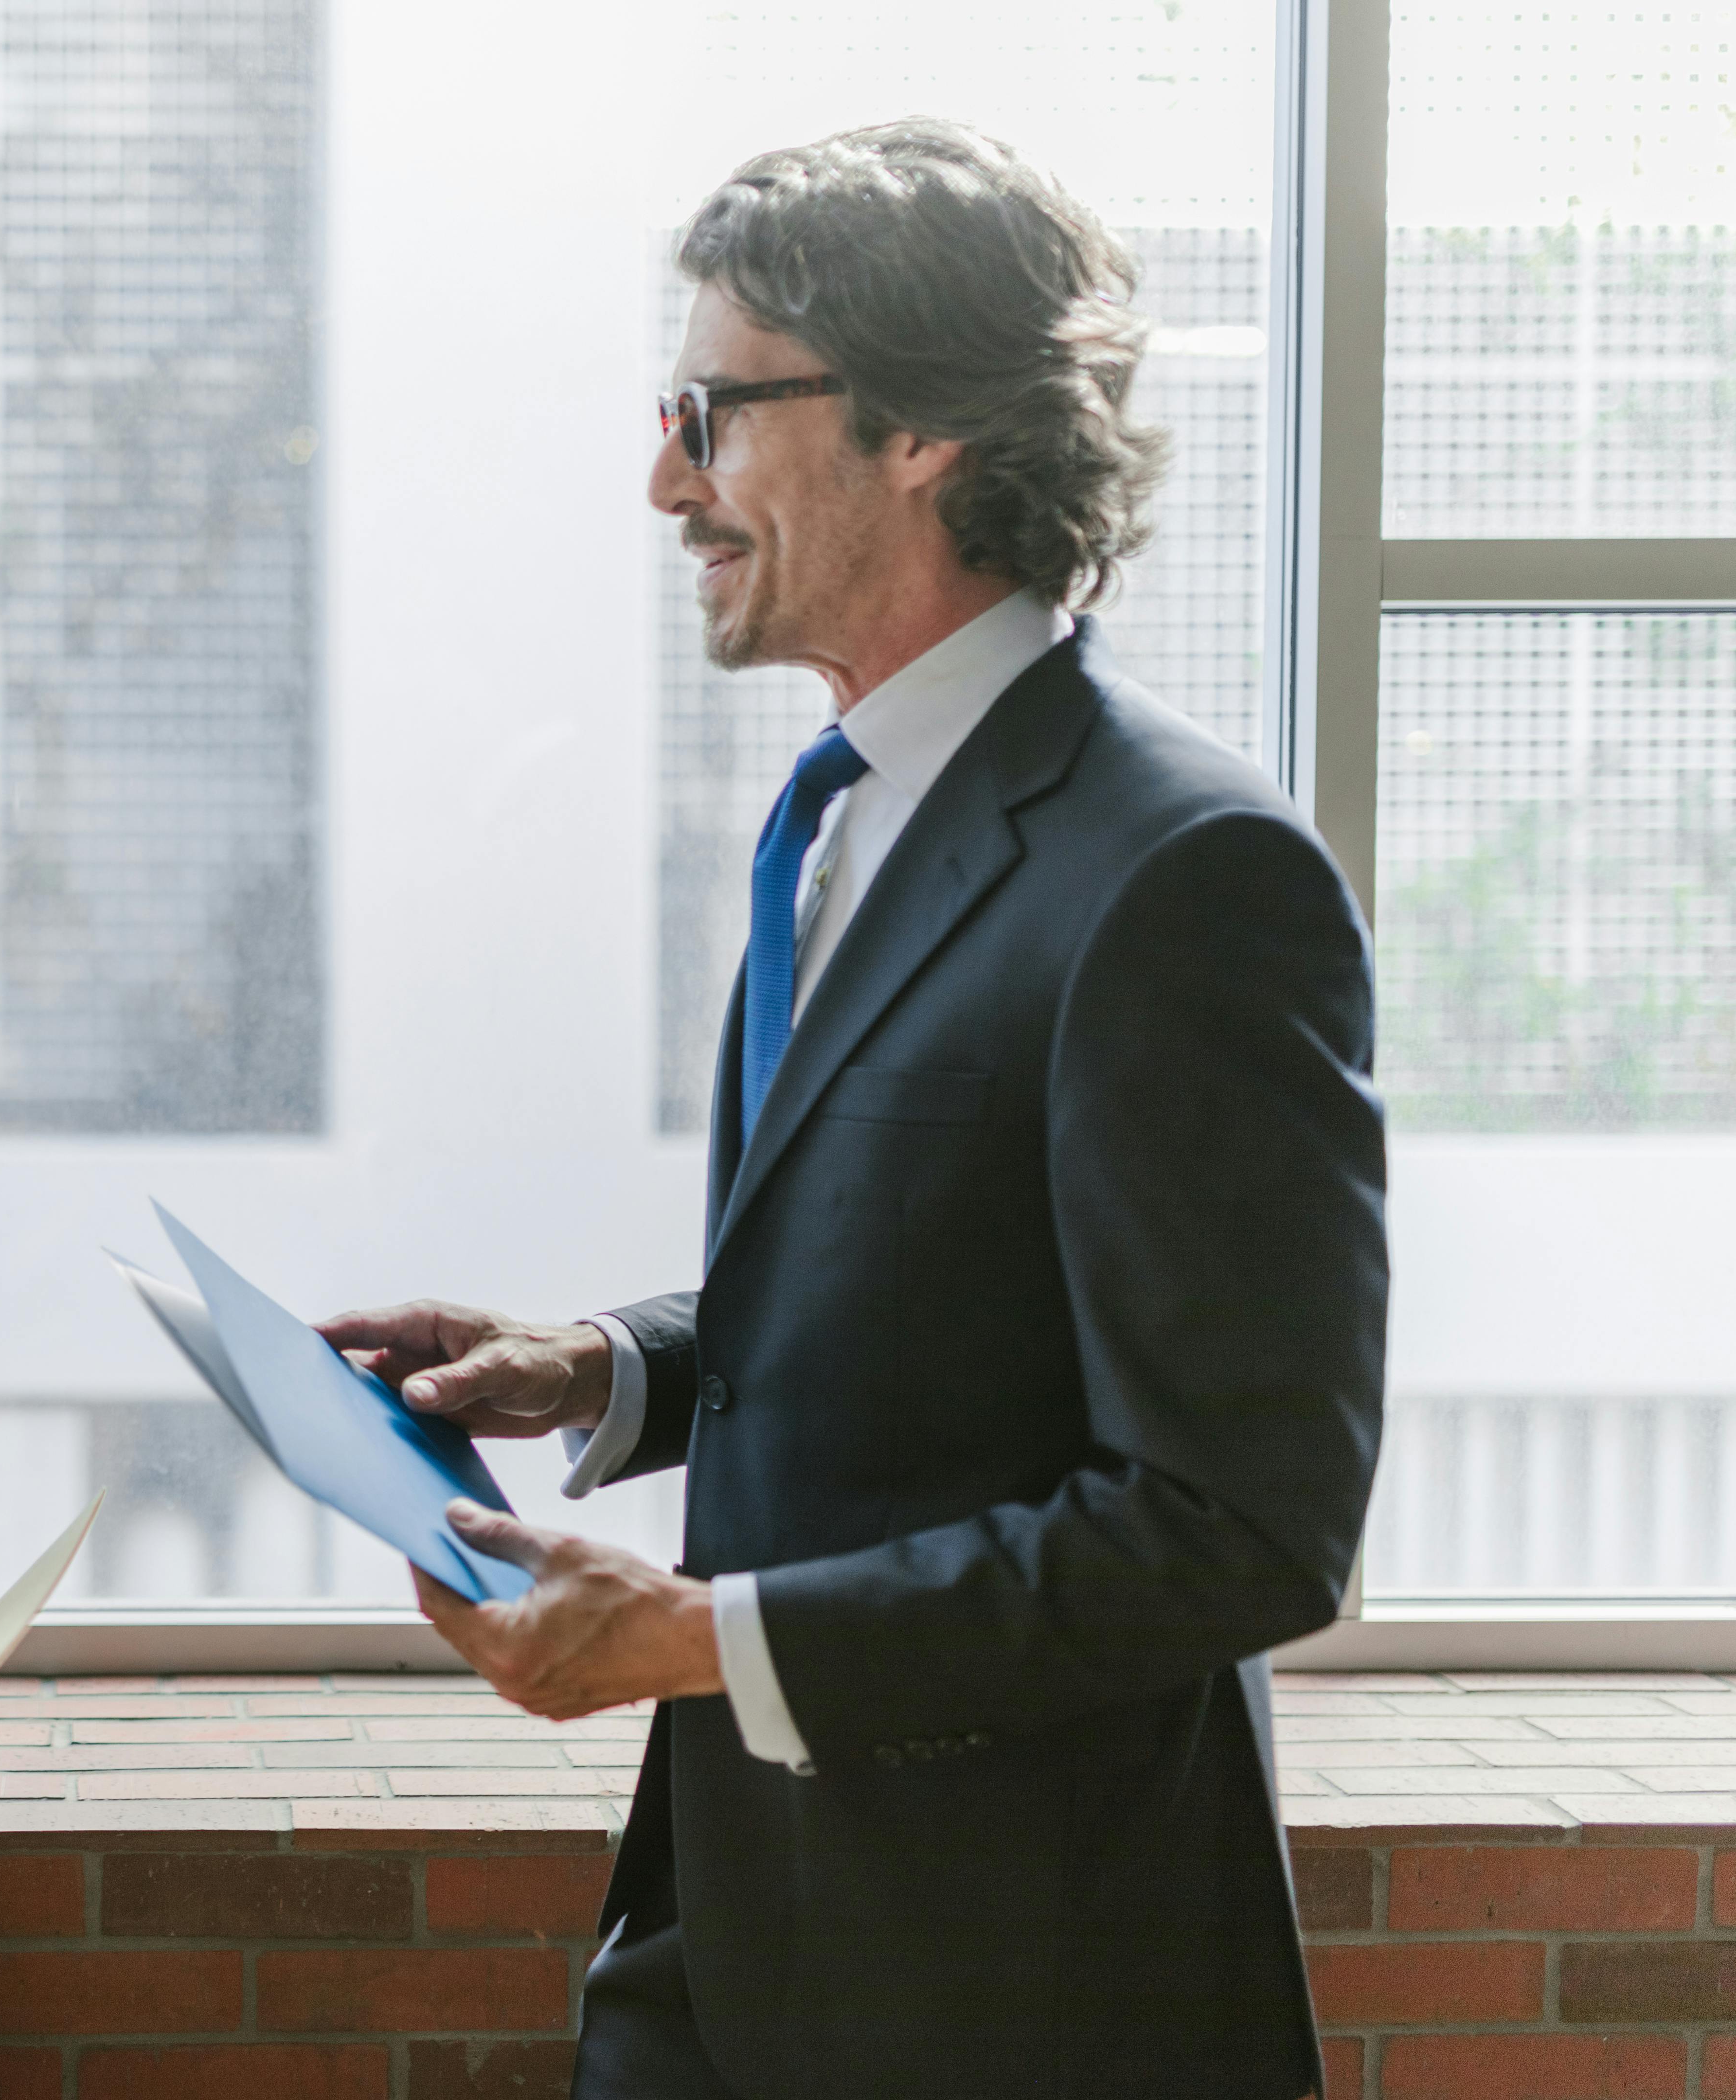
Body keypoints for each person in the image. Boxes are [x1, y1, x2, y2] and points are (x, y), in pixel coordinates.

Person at [321, 123, 1384, 2099]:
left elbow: (1243, 1530)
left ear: (926, 432)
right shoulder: (848, 817)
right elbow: (926, 1285)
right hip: (736, 1931)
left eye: (712, 412)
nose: (666, 482)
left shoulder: (1189, 876)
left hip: (1020, 1992)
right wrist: (611, 1370)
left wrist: (704, 1639)